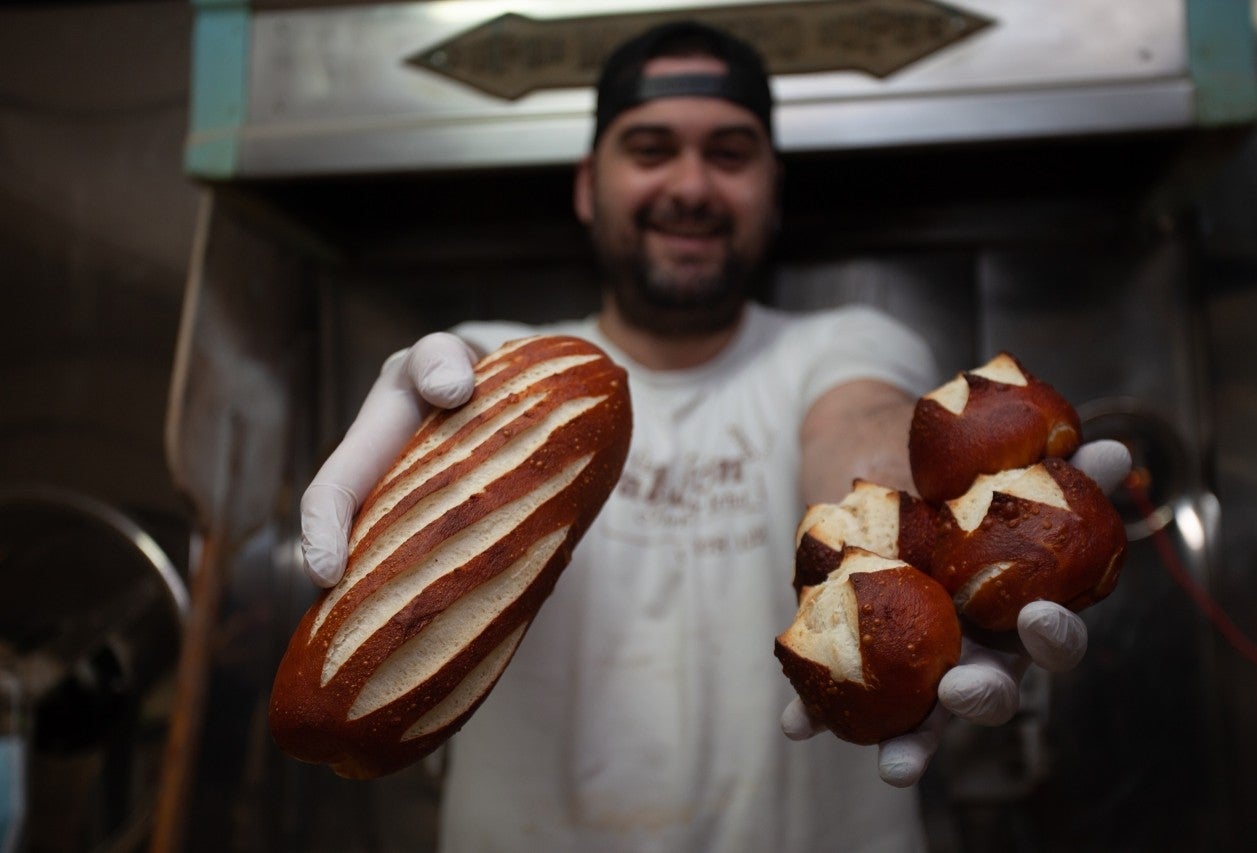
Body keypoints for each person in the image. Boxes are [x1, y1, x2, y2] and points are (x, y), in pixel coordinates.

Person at [298, 20, 1130, 852]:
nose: (691, 185)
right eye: (651, 149)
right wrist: (434, 404)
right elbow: (477, 394)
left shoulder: (845, 343)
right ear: (591, 184)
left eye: (730, 154)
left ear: (772, 186)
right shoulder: (504, 366)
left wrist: (956, 542)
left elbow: (858, 434)